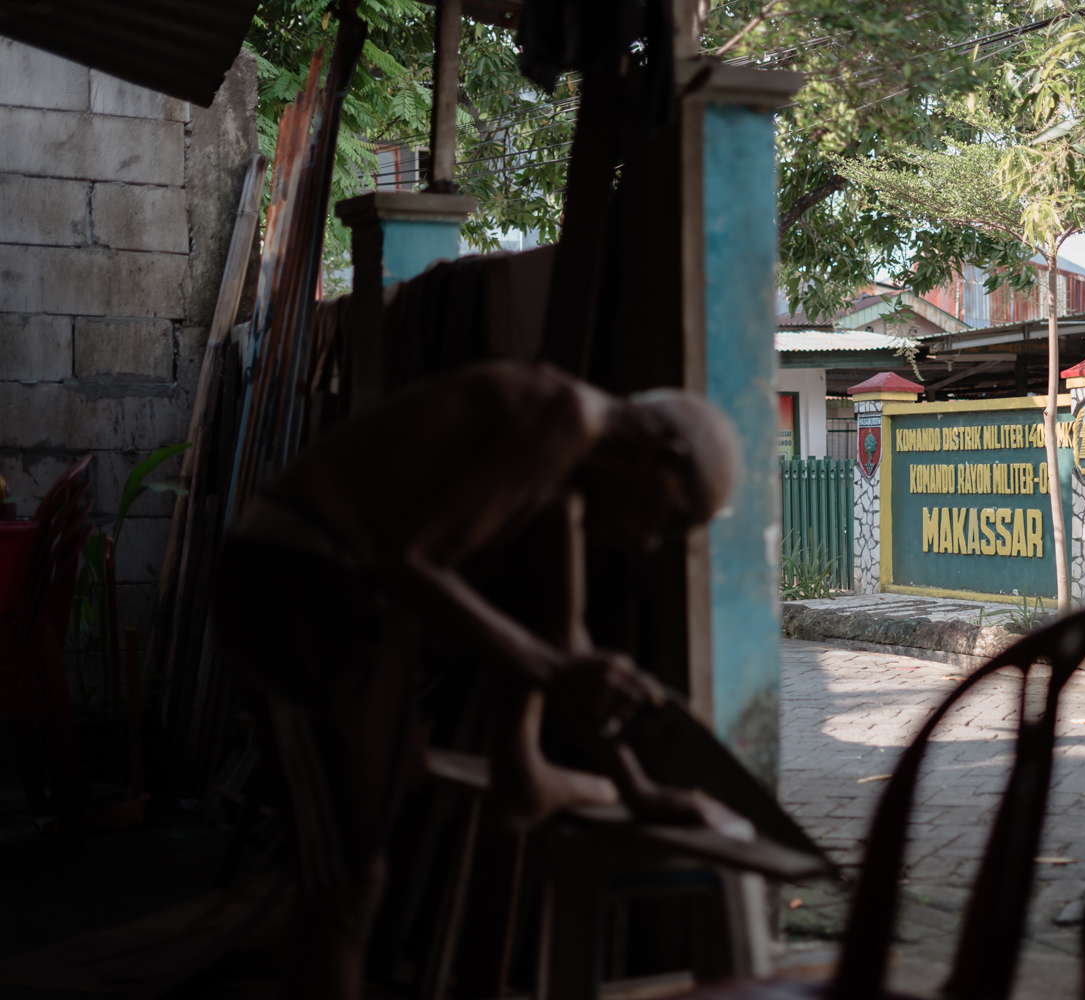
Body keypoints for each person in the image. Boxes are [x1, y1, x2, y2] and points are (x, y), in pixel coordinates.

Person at [212, 360, 739, 1000]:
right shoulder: (564, 417)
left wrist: (638, 786)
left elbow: (563, 642)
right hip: (296, 584)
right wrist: (558, 673)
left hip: (348, 606)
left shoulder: (563, 487)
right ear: (660, 457)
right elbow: (410, 559)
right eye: (672, 518)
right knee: (346, 886)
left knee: (347, 880)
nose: (653, 543)